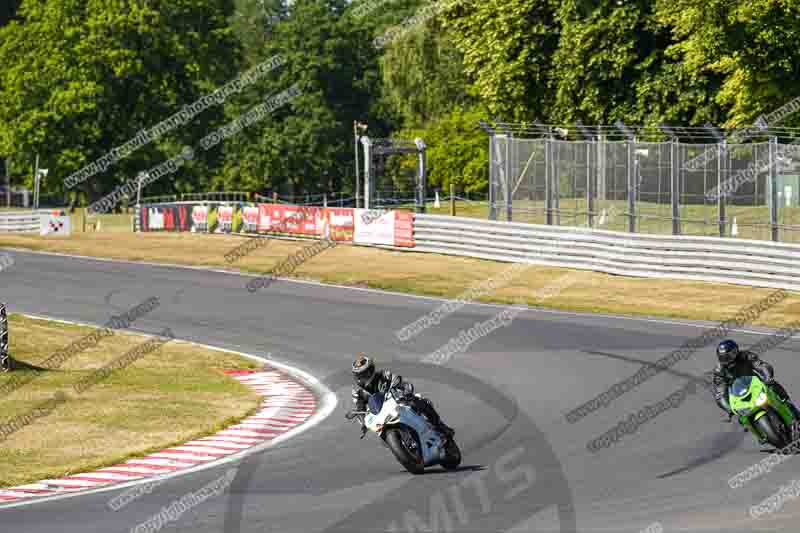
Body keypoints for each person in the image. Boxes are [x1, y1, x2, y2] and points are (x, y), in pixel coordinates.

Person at [351, 353, 454, 438]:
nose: (362, 378)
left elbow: (398, 381)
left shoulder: (384, 375)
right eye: (359, 376)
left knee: (419, 402)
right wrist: (363, 422)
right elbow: (359, 408)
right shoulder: (359, 394)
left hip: (398, 403)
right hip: (381, 416)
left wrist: (404, 390)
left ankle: (440, 426)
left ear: (371, 370)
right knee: (381, 436)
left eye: (364, 374)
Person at [712, 339, 800, 421]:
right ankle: (761, 434)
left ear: (735, 352)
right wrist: (728, 408)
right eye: (722, 357)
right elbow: (720, 393)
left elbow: (761, 365)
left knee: (773, 387)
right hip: (738, 394)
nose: (725, 360)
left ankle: (793, 411)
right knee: (741, 418)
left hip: (756, 385)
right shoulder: (719, 371)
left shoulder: (746, 356)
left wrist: (768, 377)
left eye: (727, 356)